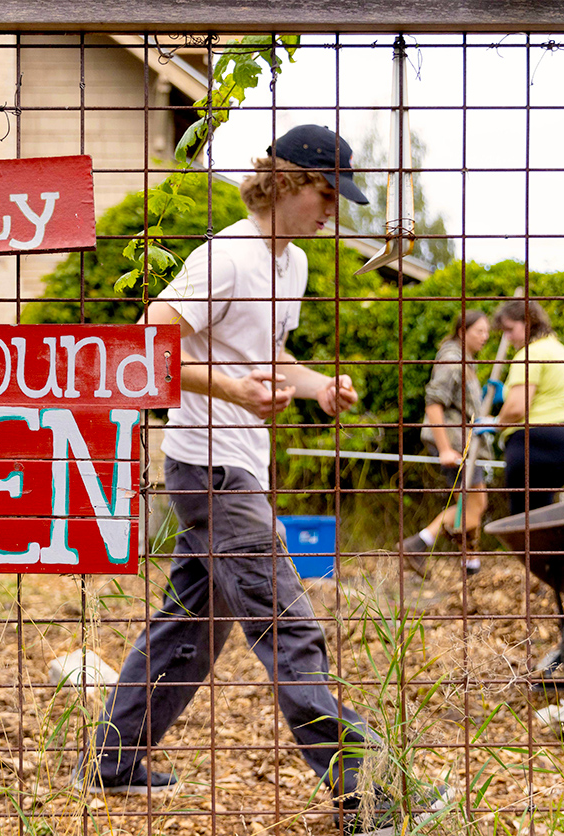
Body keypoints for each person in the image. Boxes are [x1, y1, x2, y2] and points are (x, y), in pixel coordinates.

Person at [74, 125, 446, 833]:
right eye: (327, 192)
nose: (334, 210)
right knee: (288, 624)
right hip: (207, 465)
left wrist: (319, 388)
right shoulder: (226, 257)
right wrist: (235, 393)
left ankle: (112, 762)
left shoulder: (293, 264)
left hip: (240, 463)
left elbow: (267, 359)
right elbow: (148, 347)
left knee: (188, 627)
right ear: (287, 182)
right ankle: (365, 789)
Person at [492, 299, 564, 670]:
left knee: (535, 540)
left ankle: (559, 631)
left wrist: (492, 422)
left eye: (508, 329)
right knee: (557, 535)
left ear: (525, 322)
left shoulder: (530, 354)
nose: (509, 338)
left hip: (534, 447)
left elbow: (518, 407)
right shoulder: (560, 351)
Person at [401, 310, 493, 578]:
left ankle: (470, 565)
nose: (485, 337)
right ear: (463, 332)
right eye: (480, 331)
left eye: (487, 332)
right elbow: (433, 404)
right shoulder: (453, 360)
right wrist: (444, 448)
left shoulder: (465, 361)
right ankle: (419, 544)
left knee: (468, 505)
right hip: (456, 445)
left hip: (466, 444)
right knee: (475, 506)